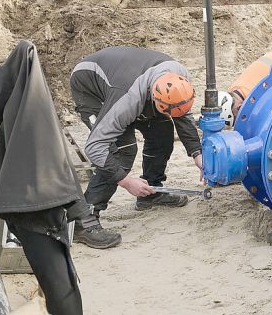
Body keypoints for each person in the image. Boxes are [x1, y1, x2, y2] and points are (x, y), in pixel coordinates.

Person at [71, 47, 203, 248]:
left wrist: (197, 154)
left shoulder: (179, 79)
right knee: (123, 151)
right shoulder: (127, 100)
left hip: (130, 79)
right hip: (90, 86)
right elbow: (95, 147)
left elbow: (182, 115)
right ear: (153, 98)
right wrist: (125, 181)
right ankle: (84, 221)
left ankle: (152, 192)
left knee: (162, 134)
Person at [0, 41, 84, 314]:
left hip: (28, 205)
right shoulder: (34, 109)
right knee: (59, 278)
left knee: (55, 275)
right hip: (43, 203)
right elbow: (58, 159)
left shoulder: (16, 109)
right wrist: (78, 207)